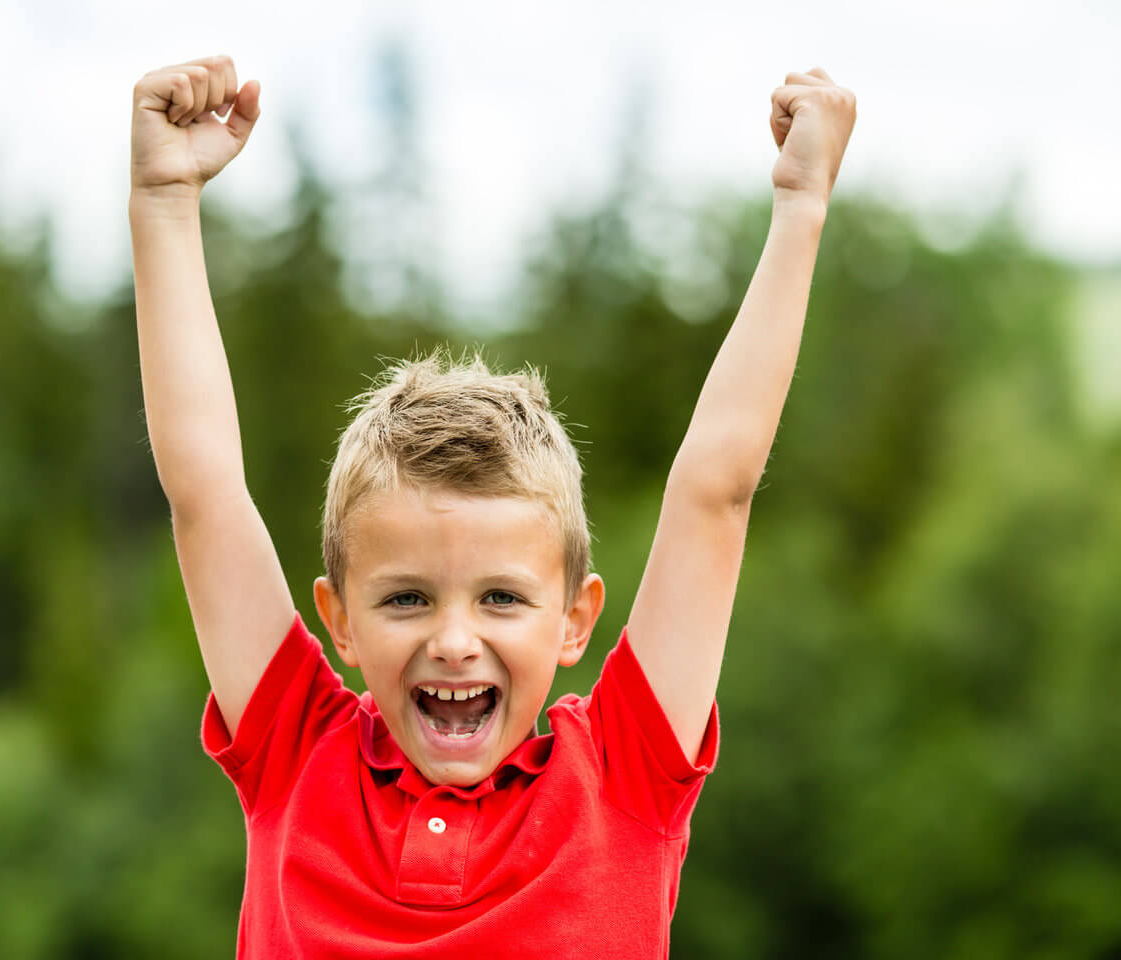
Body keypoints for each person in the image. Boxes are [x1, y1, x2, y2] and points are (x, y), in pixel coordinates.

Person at [128, 54, 855, 958]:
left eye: (501, 597)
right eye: (406, 598)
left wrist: (801, 205)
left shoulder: (625, 772)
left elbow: (717, 490)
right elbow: (203, 489)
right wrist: (163, 199)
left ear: (575, 617)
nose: (454, 639)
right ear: (339, 619)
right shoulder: (296, 753)